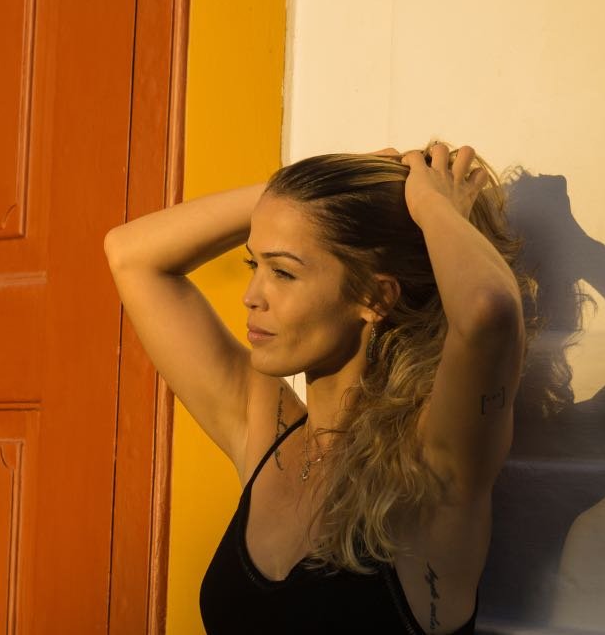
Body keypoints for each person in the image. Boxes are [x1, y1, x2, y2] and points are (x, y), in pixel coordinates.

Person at [104, 141, 534, 634]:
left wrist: (432, 203)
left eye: (283, 272)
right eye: (254, 265)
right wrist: (302, 197)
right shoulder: (269, 433)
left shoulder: (434, 464)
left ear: (375, 296)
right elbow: (130, 255)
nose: (251, 297)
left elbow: (486, 312)